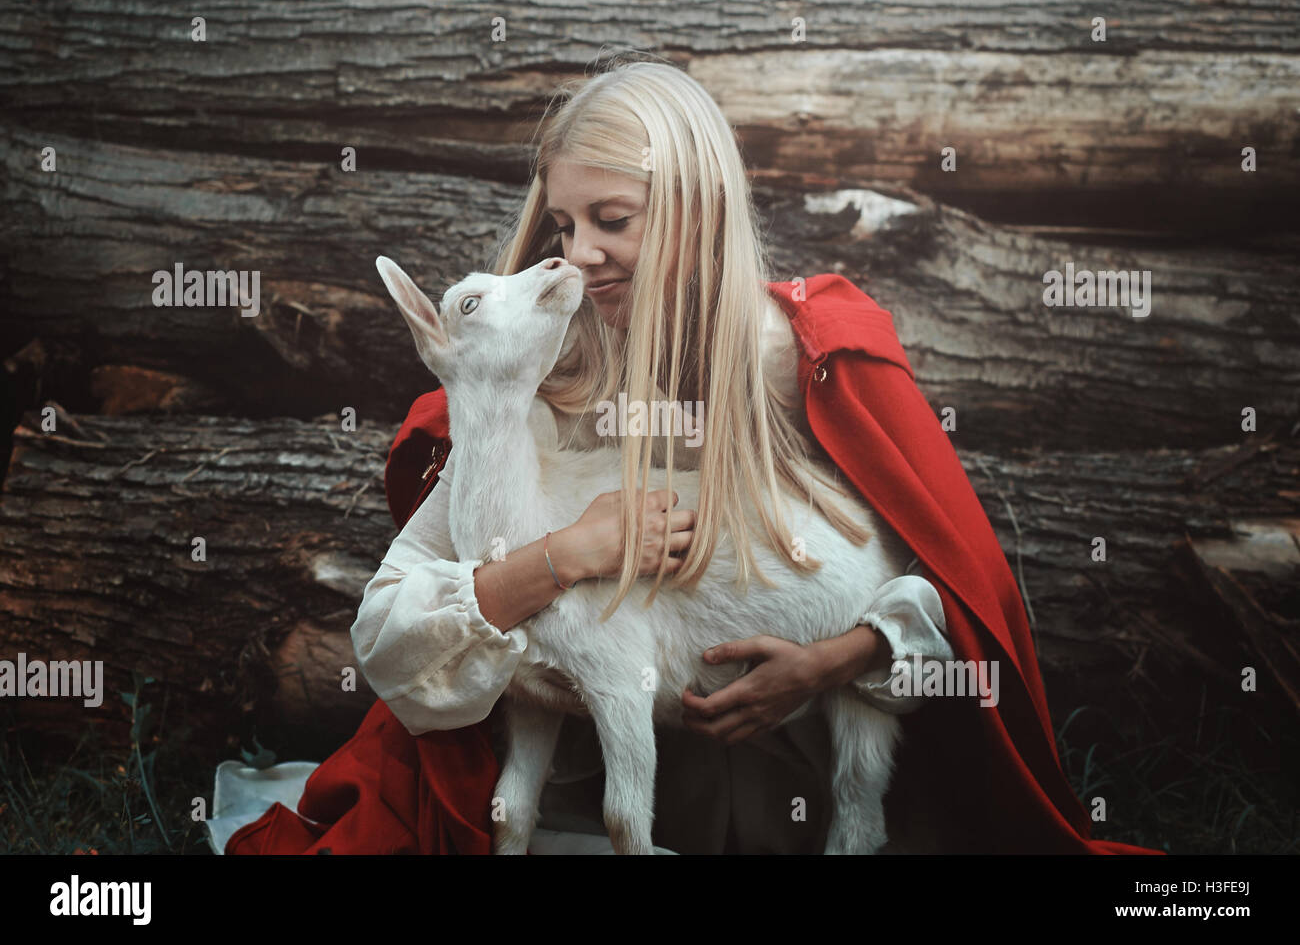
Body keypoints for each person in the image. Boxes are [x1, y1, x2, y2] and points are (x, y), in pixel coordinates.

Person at [212, 55, 1160, 855]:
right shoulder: (550, 379)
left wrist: (831, 661)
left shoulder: (816, 366)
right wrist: (561, 558)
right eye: (564, 226)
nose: (578, 255)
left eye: (612, 221)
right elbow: (387, 635)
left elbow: (951, 605)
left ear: (696, 208)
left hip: (811, 786)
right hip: (602, 795)